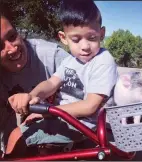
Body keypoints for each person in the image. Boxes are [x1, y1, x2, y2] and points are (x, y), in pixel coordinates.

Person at [6, 0, 118, 157]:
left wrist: (48, 112)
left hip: (83, 125)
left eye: (92, 38)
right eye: (76, 39)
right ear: (63, 38)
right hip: (63, 117)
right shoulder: (70, 60)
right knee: (28, 124)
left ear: (102, 34)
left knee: (16, 136)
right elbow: (51, 83)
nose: (85, 46)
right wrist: (33, 96)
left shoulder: (103, 61)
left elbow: (90, 106)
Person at [0, 9, 69, 155]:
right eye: (0, 46)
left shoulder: (53, 57)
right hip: (23, 137)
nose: (12, 49)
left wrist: (47, 115)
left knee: (18, 136)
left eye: (12, 36)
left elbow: (91, 101)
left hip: (68, 128)